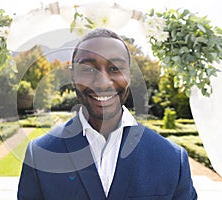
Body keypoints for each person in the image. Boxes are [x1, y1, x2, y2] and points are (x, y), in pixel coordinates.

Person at [17, 28, 197, 199]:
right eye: (88, 69)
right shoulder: (40, 155)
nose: (102, 83)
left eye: (114, 68)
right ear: (72, 77)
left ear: (129, 74)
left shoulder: (172, 159)